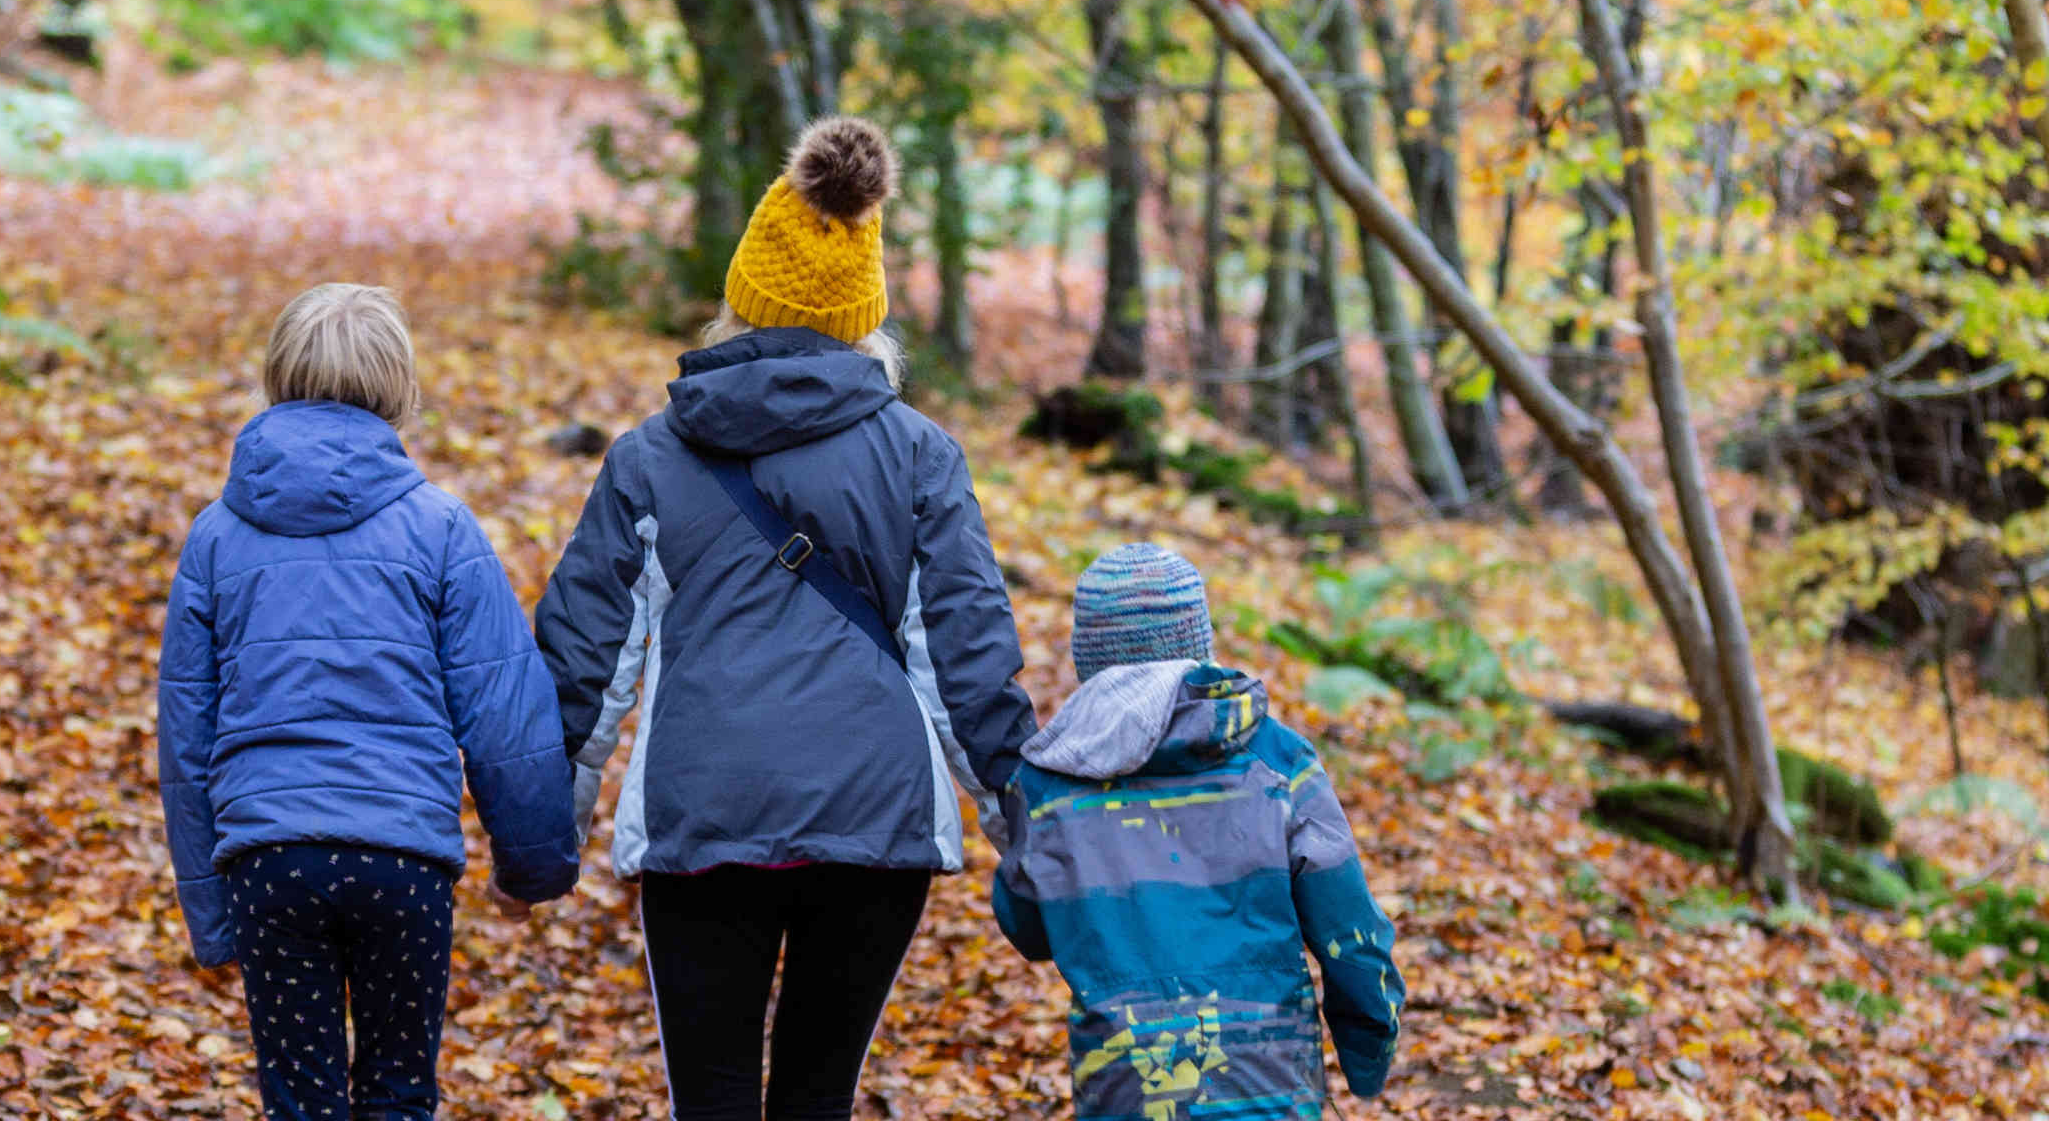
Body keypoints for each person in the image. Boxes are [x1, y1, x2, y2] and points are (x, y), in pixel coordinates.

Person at [534, 116, 1036, 1121]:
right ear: (866, 311)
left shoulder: (648, 458)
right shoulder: (918, 456)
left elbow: (586, 658)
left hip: (703, 812)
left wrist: (546, 823)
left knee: (710, 1099)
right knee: (817, 1097)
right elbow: (965, 654)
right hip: (875, 819)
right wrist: (1022, 820)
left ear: (740, 298)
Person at [154, 283, 578, 1120]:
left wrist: (210, 906)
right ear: (399, 387)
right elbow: (505, 712)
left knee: (300, 1101)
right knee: (397, 1091)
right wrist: (531, 868)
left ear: (278, 377)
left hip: (270, 859)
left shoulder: (217, 535)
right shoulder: (441, 528)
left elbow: (186, 734)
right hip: (402, 861)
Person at [992, 543, 1403, 1120]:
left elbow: (1028, 928)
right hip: (1267, 1087)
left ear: (1087, 654)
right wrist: (1368, 1054)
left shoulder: (1048, 781)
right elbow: (1351, 933)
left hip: (1126, 1090)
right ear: (1197, 643)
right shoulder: (1276, 759)